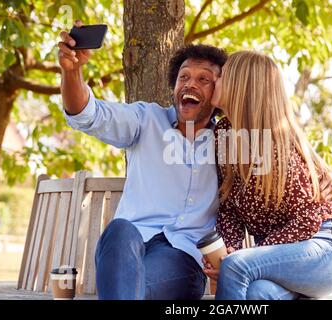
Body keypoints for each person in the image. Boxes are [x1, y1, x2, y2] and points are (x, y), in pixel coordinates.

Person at [58, 21, 227, 300]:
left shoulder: (229, 140)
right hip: (124, 249)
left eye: (203, 80)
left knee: (129, 289)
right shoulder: (146, 120)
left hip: (182, 257)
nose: (190, 84)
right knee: (120, 229)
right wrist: (72, 72)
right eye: (184, 77)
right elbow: (87, 114)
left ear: (218, 93)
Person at [204, 51, 332, 300]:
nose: (215, 80)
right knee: (257, 294)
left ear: (241, 86)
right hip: (273, 260)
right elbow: (228, 207)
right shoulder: (224, 133)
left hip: (322, 250)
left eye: (223, 75)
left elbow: (306, 219)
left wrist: (243, 258)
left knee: (237, 266)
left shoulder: (278, 144)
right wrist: (230, 249)